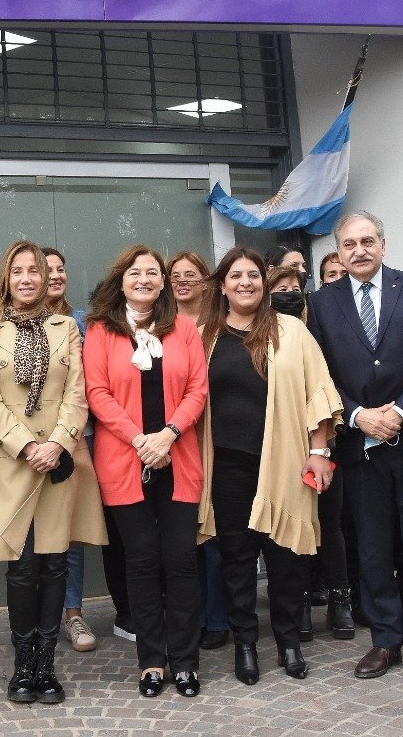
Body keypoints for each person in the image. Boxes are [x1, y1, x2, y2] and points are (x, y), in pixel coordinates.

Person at [305, 211, 403, 682]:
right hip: (359, 446)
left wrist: (400, 413)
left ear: (383, 245)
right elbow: (319, 374)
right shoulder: (321, 304)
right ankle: (385, 640)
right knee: (371, 548)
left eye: (367, 241)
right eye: (349, 244)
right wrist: (357, 415)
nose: (359, 250)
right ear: (339, 252)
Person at [0, 241, 107, 703]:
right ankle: (22, 666)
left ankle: (47, 666)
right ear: (5, 277)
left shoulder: (66, 326)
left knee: (54, 564)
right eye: (18, 271)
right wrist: (28, 445)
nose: (27, 278)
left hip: (58, 460)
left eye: (35, 271)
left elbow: (78, 392)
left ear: (47, 279)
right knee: (23, 568)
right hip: (12, 461)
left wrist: (57, 444)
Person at [198, 248, 344, 685]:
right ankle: (245, 642)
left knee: (286, 557)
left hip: (283, 459)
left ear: (264, 284)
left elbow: (316, 392)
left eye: (254, 276)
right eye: (237, 276)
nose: (246, 283)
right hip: (226, 463)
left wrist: (320, 451)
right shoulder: (203, 335)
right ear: (222, 284)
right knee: (237, 557)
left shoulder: (291, 331)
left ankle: (288, 641)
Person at [84, 244, 209, 698]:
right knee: (140, 561)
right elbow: (97, 393)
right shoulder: (100, 331)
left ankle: (186, 661)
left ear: (163, 283)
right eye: (135, 273)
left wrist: (169, 434)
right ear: (122, 281)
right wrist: (140, 439)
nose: (144, 280)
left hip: (178, 456)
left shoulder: (187, 329)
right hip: (124, 459)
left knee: (179, 559)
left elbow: (198, 389)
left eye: (152, 273)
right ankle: (152, 661)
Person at [45, 247, 132, 652]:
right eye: (46, 269)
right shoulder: (6, 325)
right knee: (37, 529)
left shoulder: (84, 321)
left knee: (75, 528)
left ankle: (73, 614)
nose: (55, 276)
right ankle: (35, 613)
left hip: (84, 436)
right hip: (31, 441)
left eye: (61, 268)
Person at [267, 265, 355, 642]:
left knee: (329, 524)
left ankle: (340, 600)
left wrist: (321, 440)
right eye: (280, 287)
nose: (289, 293)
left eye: (295, 287)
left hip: (322, 436)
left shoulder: (318, 329)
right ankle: (298, 602)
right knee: (291, 525)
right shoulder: (262, 332)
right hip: (280, 443)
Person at [167, 250, 228, 651]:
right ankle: (190, 616)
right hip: (173, 439)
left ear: (207, 281)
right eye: (176, 275)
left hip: (215, 436)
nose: (183, 281)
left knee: (216, 530)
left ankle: (218, 617)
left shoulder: (221, 327)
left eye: (192, 274)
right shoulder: (161, 327)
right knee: (183, 532)